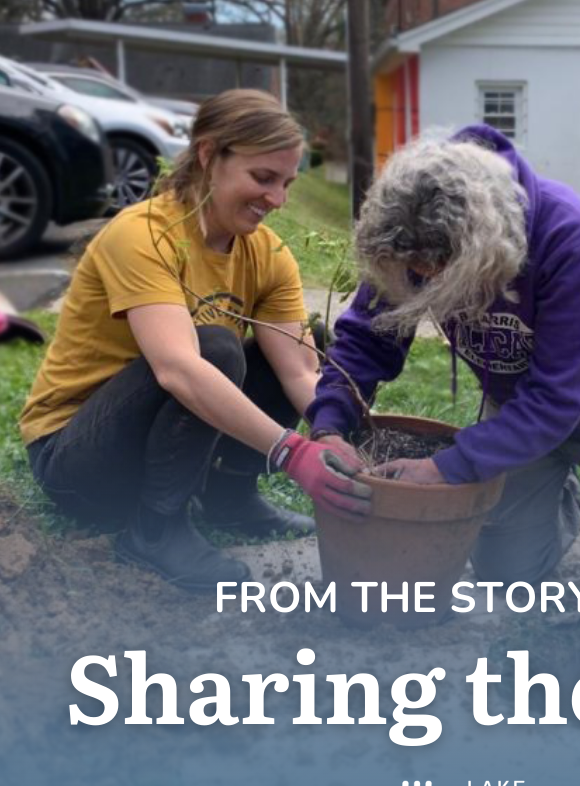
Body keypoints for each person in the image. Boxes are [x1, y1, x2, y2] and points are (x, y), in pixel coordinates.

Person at [307, 125, 580, 587]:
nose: (423, 282)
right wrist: (331, 424)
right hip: (517, 411)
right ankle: (556, 491)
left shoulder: (569, 235)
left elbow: (559, 395)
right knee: (506, 576)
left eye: (439, 276)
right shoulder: (408, 228)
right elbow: (369, 337)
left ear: (485, 248)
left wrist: (445, 468)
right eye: (416, 275)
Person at [19, 89, 370, 591]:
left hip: (158, 442)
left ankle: (230, 496)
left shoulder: (267, 254)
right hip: (78, 459)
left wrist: (338, 436)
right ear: (208, 155)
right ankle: (155, 530)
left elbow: (297, 371)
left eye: (287, 183)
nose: (277, 200)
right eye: (263, 178)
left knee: (302, 340)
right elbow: (177, 370)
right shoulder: (143, 235)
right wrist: (291, 452)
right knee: (211, 350)